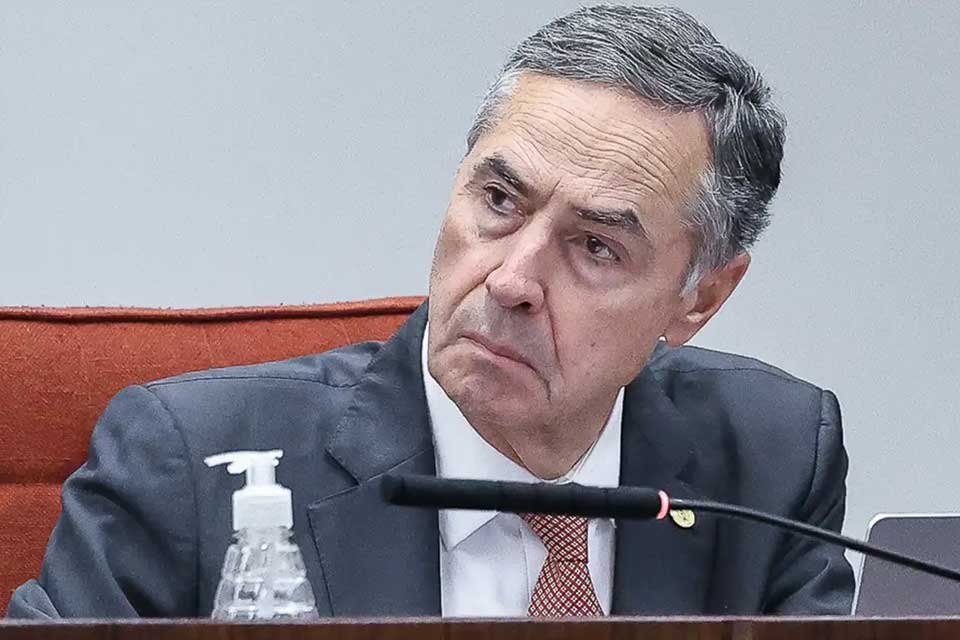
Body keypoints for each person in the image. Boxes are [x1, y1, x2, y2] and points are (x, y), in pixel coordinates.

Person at [8, 4, 854, 618]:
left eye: (596, 247)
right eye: (499, 201)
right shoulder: (190, 463)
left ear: (700, 298)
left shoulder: (771, 462)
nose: (512, 280)